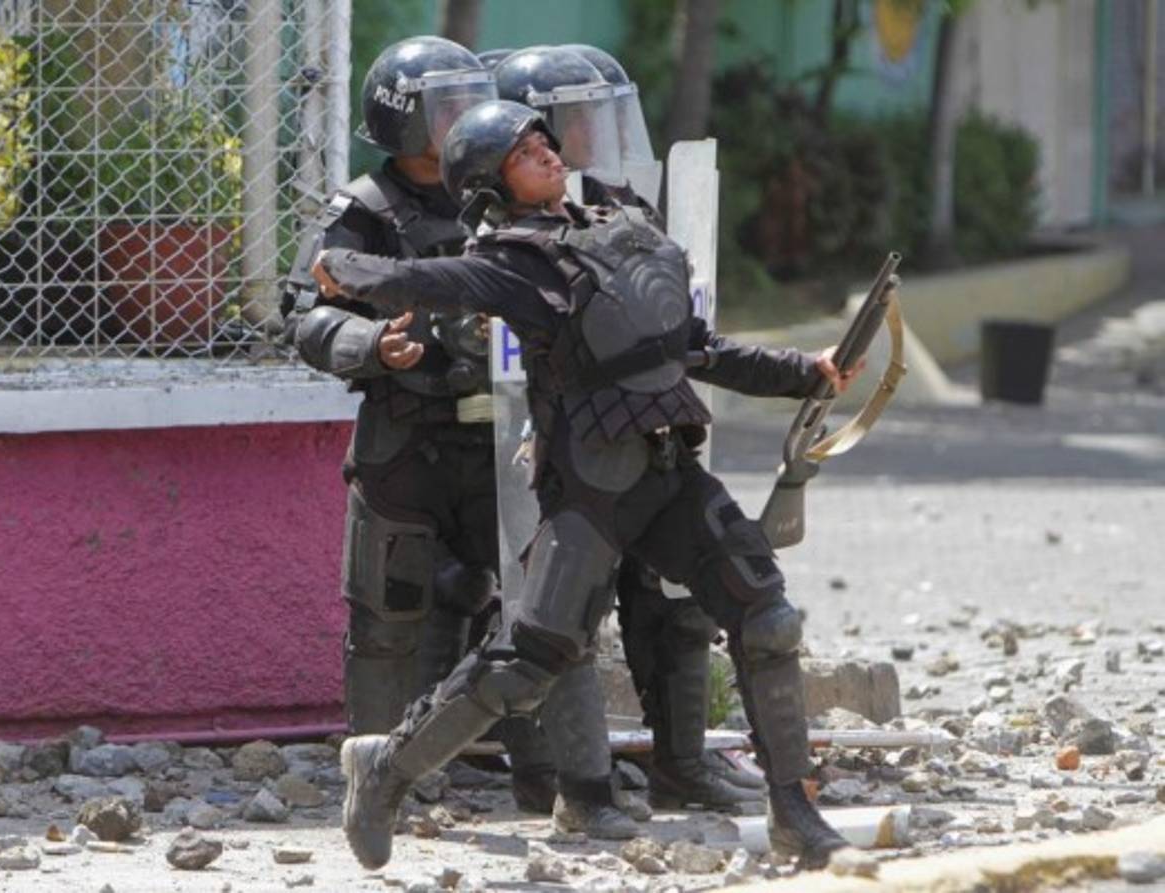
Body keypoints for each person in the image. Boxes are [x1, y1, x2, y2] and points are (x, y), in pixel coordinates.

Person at [319, 100, 860, 872]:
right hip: (591, 488)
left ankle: (796, 813)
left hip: (669, 470)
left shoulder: (622, 227)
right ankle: (384, 769)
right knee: (525, 663)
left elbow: (695, 351)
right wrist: (347, 269)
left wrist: (804, 372)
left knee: (766, 614)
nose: (542, 147)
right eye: (519, 148)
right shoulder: (511, 261)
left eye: (542, 136)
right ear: (488, 182)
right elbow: (423, 280)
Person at [285, 36, 556, 813]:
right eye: (443, 109)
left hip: (505, 439)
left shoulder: (508, 197)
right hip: (405, 436)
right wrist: (372, 344)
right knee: (388, 609)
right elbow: (304, 316)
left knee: (533, 606)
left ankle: (546, 771)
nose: (461, 122)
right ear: (400, 121)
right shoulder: (363, 212)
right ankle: (381, 777)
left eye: (470, 104)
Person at [492, 44, 759, 810]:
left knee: (678, 594)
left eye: (598, 118)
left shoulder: (617, 209)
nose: (588, 137)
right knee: (551, 618)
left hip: (637, 440)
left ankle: (684, 762)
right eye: (571, 122)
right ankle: (560, 777)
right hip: (534, 450)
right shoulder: (493, 221)